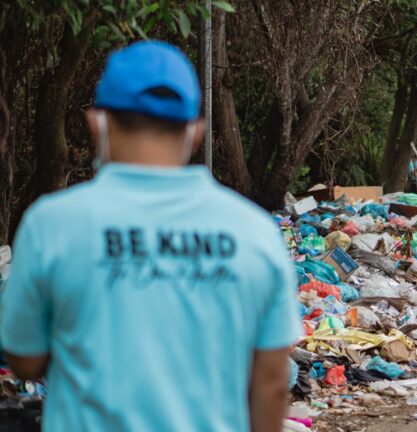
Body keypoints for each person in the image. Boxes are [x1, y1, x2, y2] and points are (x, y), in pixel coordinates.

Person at [0, 41, 301, 432]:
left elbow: (24, 358)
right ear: (195, 132)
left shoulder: (52, 224)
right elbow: (272, 381)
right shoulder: (255, 232)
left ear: (98, 123)